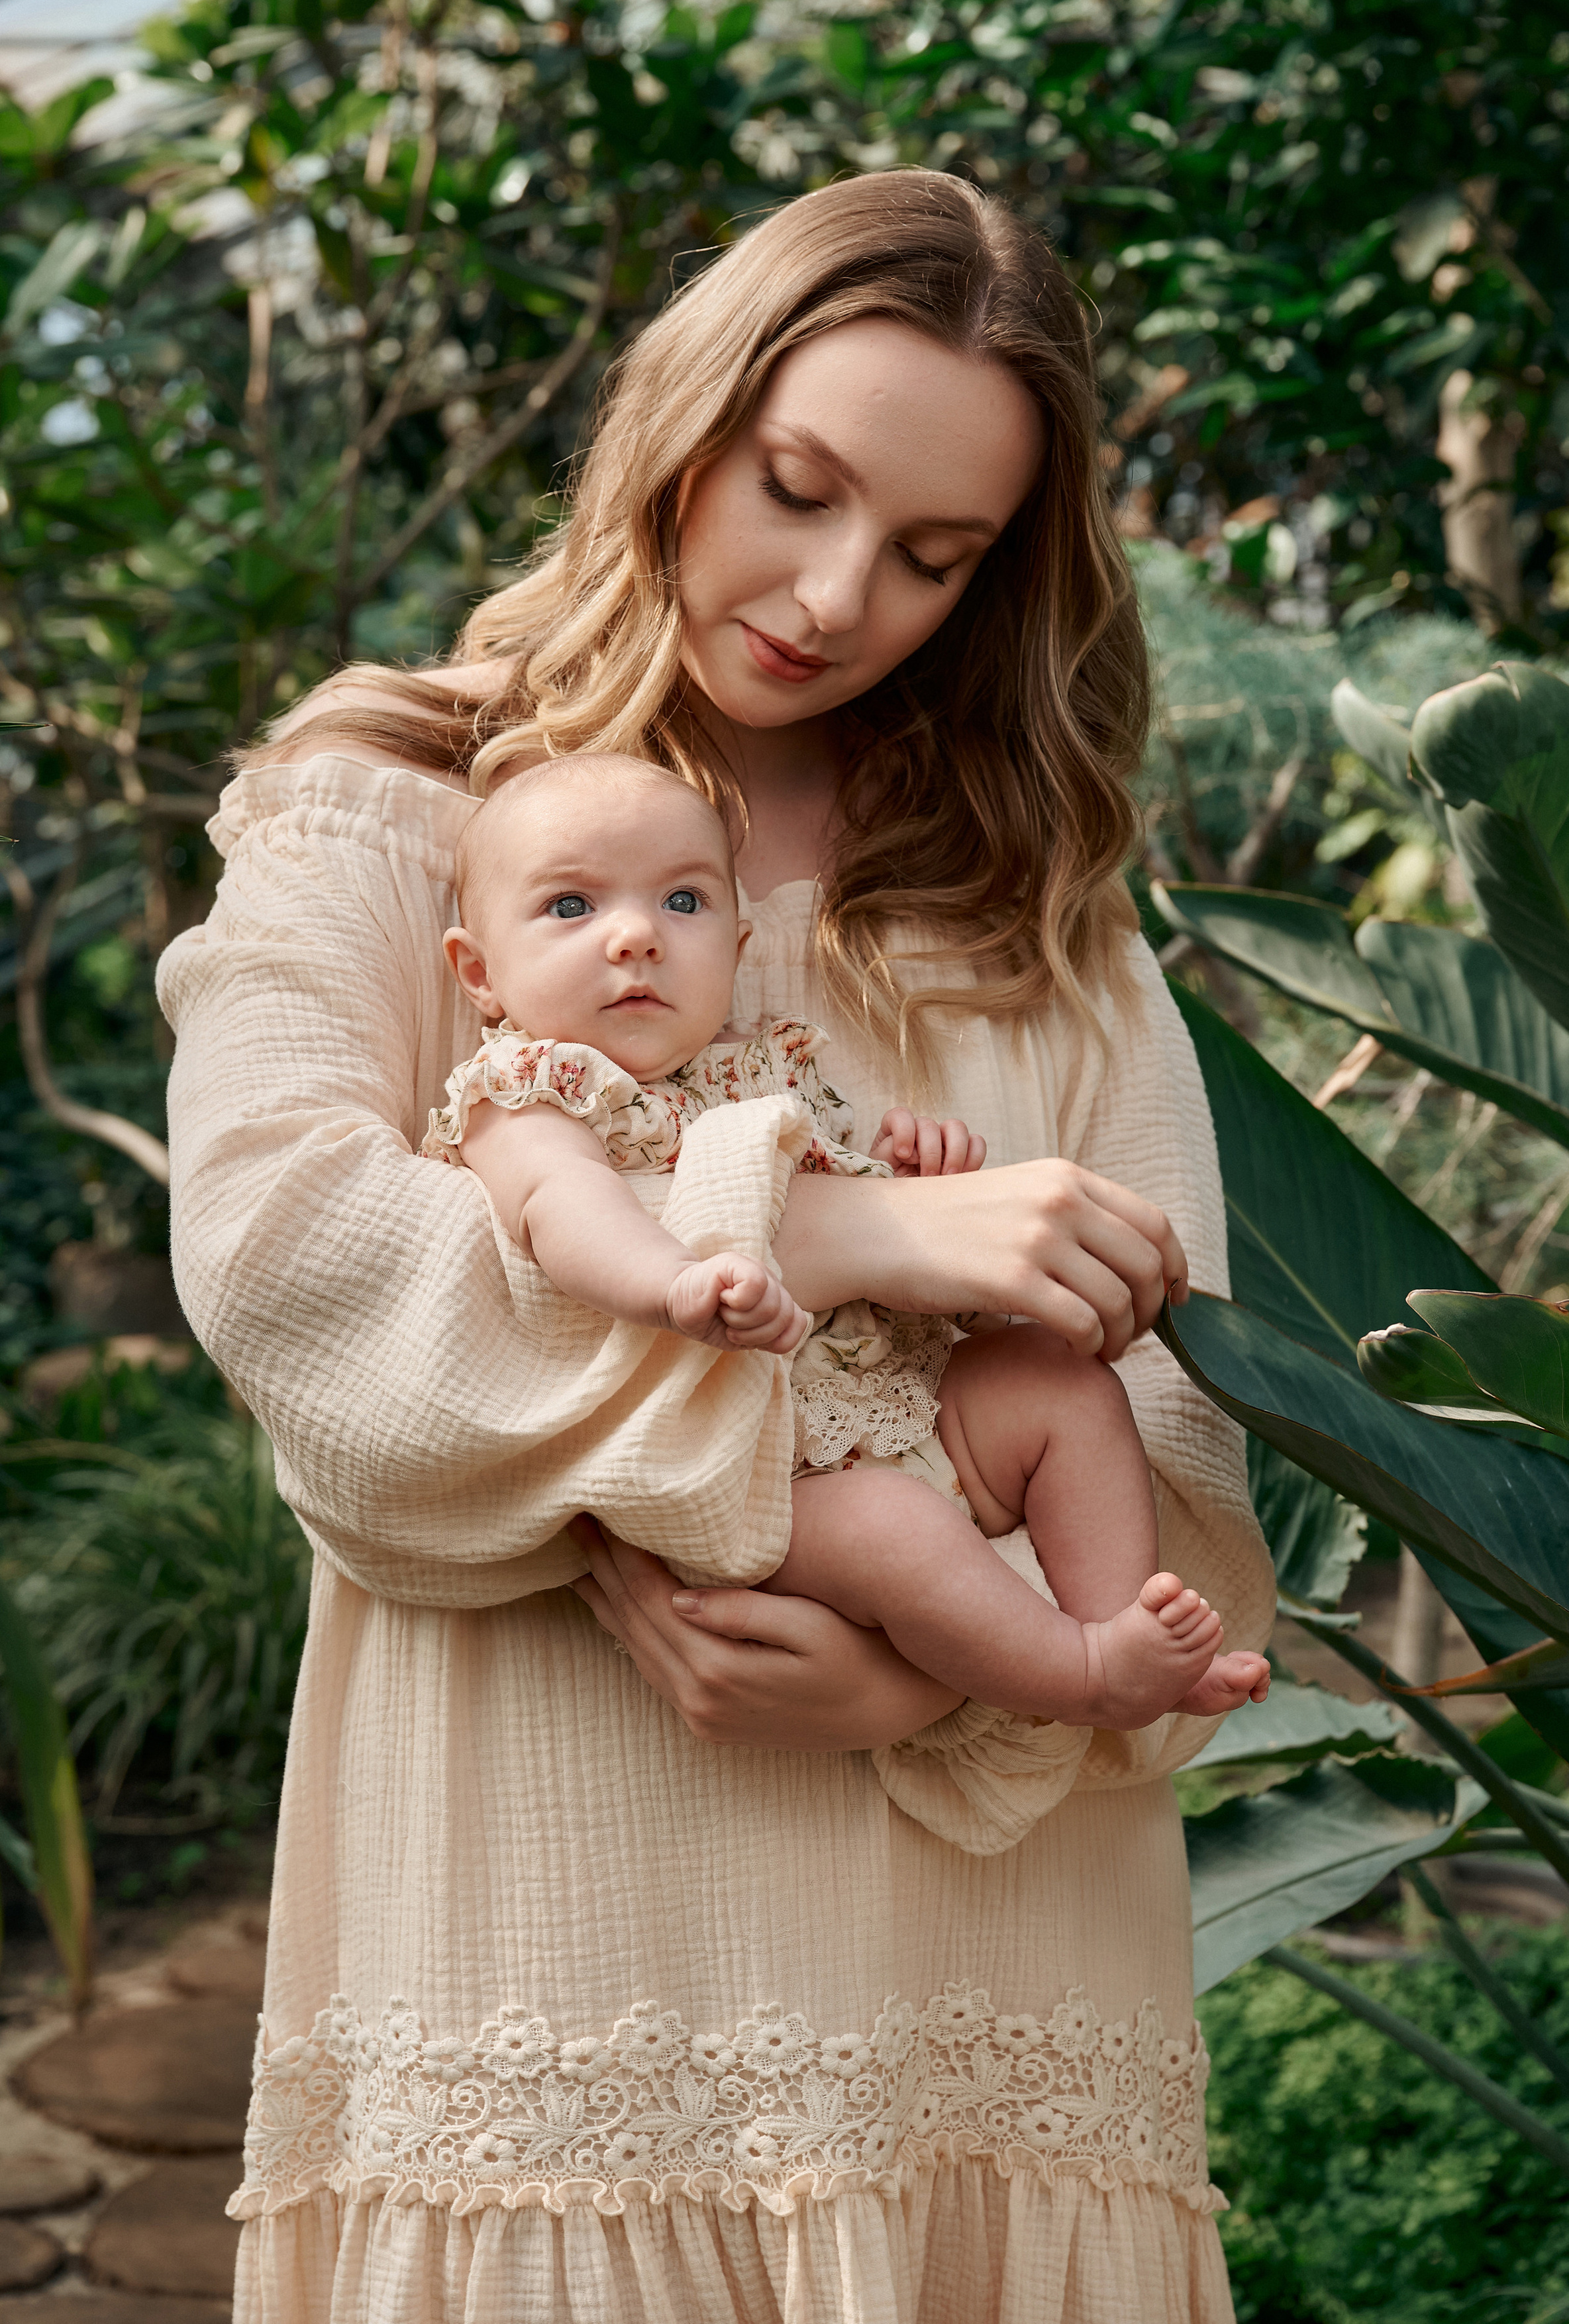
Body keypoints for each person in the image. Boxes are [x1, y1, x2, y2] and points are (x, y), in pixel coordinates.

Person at [161, 168, 1274, 2321]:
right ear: (688, 413)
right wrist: (852, 1232)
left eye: (934, 555)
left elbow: (1177, 1424)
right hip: (548, 1920)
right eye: (797, 486)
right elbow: (291, 1261)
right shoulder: (402, 802)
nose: (836, 592)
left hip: (990, 1939)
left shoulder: (1030, 900)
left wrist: (941, 1671)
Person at [428, 749, 1272, 1731]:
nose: (635, 939)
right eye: (572, 907)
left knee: (1062, 1382)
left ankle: (1122, 1622)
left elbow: (879, 1235)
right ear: (480, 974)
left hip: (890, 1401)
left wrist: (915, 1183)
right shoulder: (531, 1091)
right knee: (894, 1529)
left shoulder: (761, 1066)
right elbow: (564, 1210)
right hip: (756, 1465)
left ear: (740, 944)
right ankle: (1083, 1673)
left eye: (684, 904)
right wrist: (678, 1281)